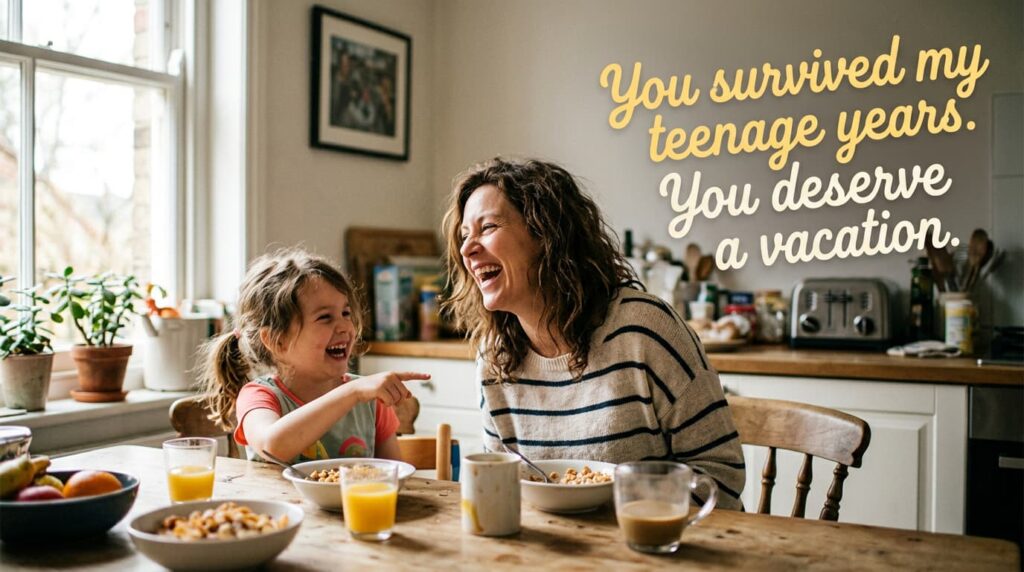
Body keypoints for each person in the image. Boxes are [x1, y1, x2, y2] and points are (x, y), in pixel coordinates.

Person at [442, 158, 745, 509]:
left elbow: (722, 477)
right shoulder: (495, 355)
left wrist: (629, 521)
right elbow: (505, 486)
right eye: (464, 236)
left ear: (547, 235)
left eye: (488, 227)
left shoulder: (644, 331)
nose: (466, 249)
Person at [199, 247, 429, 463]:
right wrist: (352, 392)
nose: (344, 327)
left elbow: (393, 476)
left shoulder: (372, 403)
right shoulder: (259, 397)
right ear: (277, 341)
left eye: (346, 313)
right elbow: (272, 445)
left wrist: (355, 393)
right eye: (325, 317)